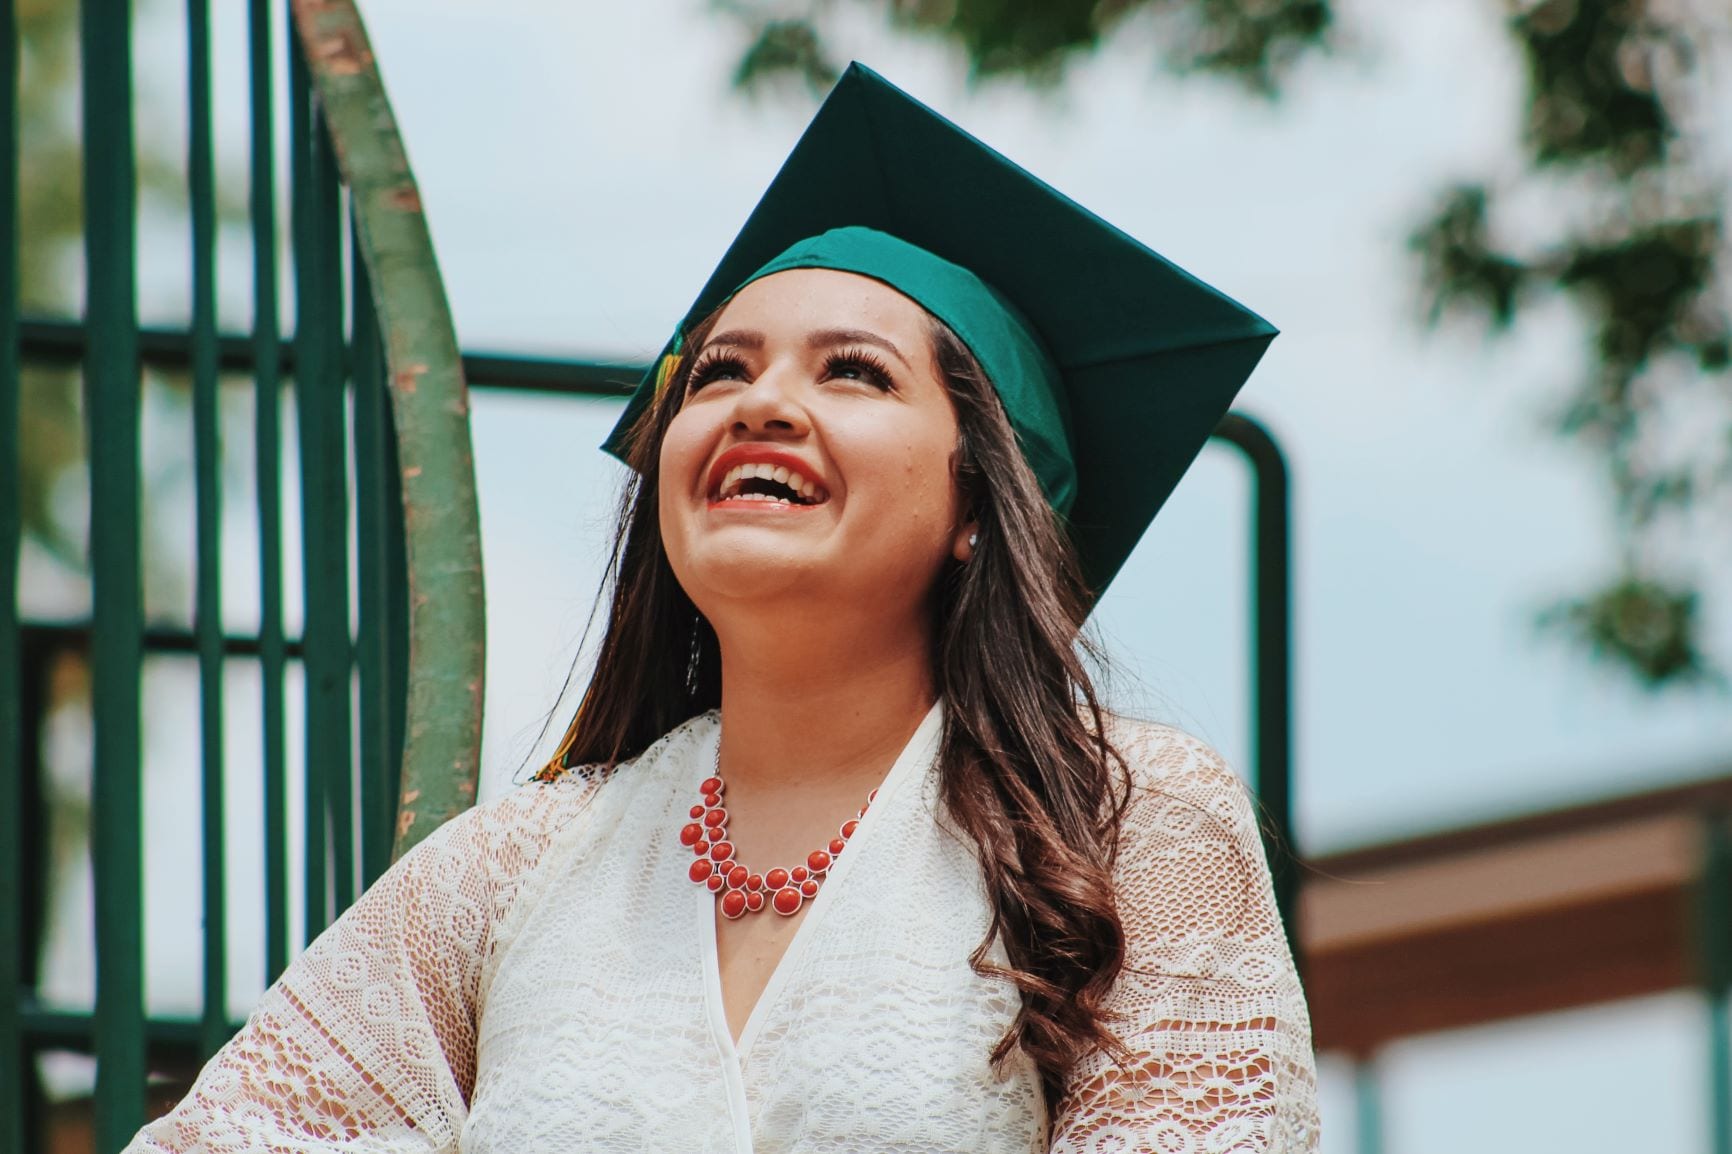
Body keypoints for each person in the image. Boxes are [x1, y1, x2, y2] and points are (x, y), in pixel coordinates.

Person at [128, 63, 1318, 1153]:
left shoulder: (1124, 826)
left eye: (851, 371)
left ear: (978, 502)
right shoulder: (516, 865)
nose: (762, 404)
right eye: (718, 371)